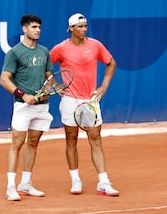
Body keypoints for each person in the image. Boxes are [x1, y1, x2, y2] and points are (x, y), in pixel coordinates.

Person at [50, 13, 119, 196]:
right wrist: (56, 85)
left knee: (95, 140)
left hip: (90, 100)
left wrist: (103, 86)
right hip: (70, 100)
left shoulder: (95, 45)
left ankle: (103, 182)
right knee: (71, 139)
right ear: (71, 28)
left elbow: (111, 63)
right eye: (79, 26)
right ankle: (75, 180)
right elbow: (45, 66)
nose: (83, 29)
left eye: (85, 26)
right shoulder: (61, 48)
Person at [0, 14, 53, 201]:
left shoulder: (44, 51)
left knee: (33, 143)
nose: (38, 30)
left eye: (39, 27)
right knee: (17, 144)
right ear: (24, 29)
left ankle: (26, 183)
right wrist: (23, 95)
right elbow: (4, 79)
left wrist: (48, 90)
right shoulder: (14, 53)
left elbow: (49, 77)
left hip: (41, 106)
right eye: (34, 27)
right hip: (23, 106)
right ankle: (10, 187)